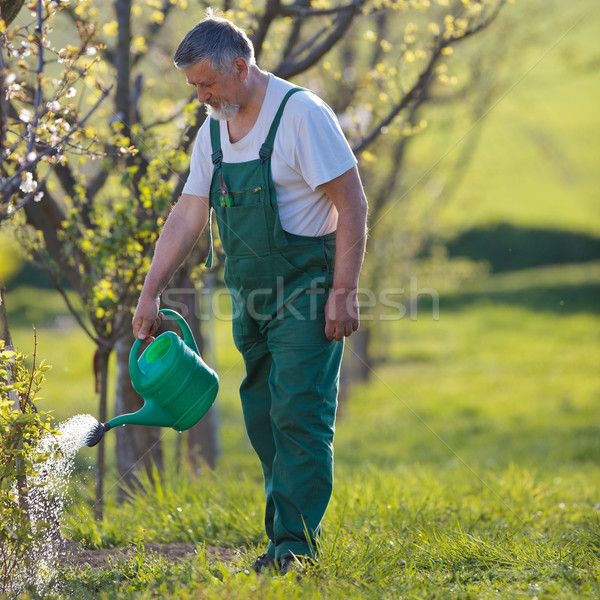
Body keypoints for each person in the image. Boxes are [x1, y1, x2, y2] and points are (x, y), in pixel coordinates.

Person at [132, 9, 368, 575]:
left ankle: (294, 548)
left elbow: (352, 203)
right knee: (263, 417)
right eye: (193, 87)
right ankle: (284, 538)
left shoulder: (300, 115)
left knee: (298, 413)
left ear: (241, 67)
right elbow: (188, 215)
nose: (200, 98)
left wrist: (343, 291)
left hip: (307, 291)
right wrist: (149, 292)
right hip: (252, 297)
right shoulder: (216, 124)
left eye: (206, 84)